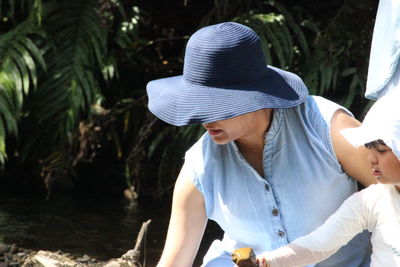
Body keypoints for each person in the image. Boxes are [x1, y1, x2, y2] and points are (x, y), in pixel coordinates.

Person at [146, 22, 375, 267]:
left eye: (213, 106)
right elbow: (173, 263)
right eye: (199, 106)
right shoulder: (200, 166)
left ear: (252, 96)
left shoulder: (324, 126)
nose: (205, 120)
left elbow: (394, 193)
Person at [257, 90, 400, 267]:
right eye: (369, 147)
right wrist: (269, 261)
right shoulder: (372, 200)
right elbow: (320, 244)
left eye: (382, 150)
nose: (371, 158)